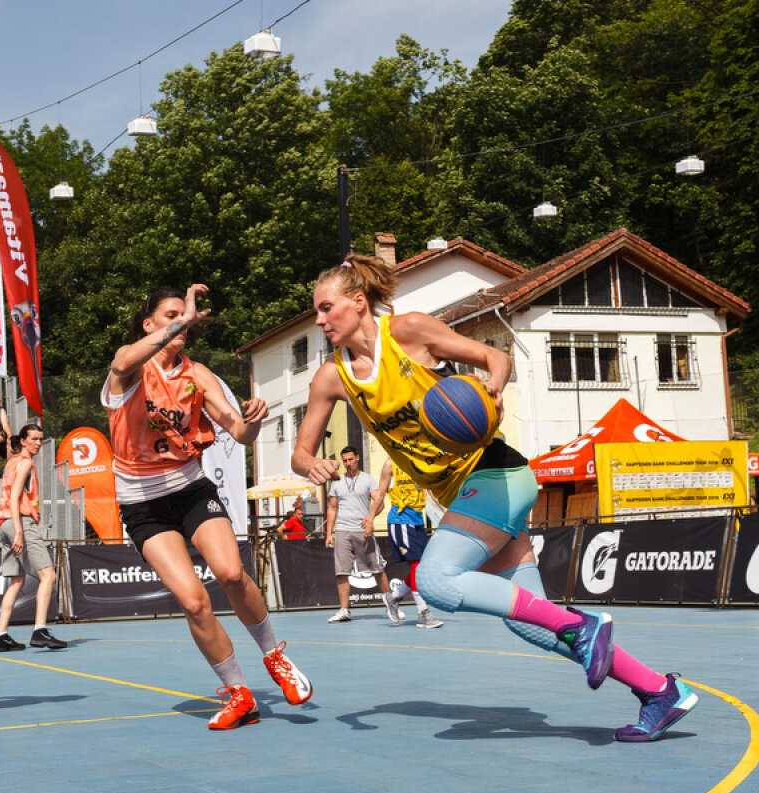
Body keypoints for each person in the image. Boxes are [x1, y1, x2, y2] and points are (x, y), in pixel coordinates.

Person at [292, 252, 698, 742]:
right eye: (316, 311)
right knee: (535, 625)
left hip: (495, 473)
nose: (318, 319)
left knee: (438, 582)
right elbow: (299, 451)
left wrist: (494, 390)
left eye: (325, 308)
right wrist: (309, 463)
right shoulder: (332, 376)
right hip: (462, 495)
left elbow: (496, 358)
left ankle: (585, 626)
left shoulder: (408, 332)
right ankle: (658, 691)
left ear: (358, 303)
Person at [103, 284, 312, 730]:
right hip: (143, 503)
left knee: (232, 573)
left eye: (184, 314)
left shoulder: (198, 375)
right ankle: (239, 694)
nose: (182, 321)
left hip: (191, 488)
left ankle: (275, 656)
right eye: (171, 314)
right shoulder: (129, 370)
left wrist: (254, 422)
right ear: (149, 324)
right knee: (194, 603)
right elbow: (122, 360)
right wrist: (187, 318)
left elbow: (238, 433)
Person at [0, 423, 66, 652]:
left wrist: (30, 509)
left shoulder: (12, 462)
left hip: (3, 522)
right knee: (48, 575)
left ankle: (1, 636)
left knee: (16, 581)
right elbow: (14, 498)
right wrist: (21, 532)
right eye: (33, 439)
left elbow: (16, 495)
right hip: (17, 523)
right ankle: (40, 630)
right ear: (22, 440)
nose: (38, 443)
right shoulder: (25, 463)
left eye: (40, 439)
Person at [324, 446, 403, 625]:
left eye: (350, 459)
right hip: (343, 530)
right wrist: (329, 533)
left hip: (363, 531)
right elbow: (332, 508)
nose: (347, 463)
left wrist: (370, 518)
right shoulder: (337, 481)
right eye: (344, 461)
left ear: (357, 458)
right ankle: (344, 610)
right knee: (341, 571)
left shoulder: (367, 479)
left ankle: (392, 604)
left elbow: (379, 501)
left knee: (377, 568)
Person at [373, 460, 443, 629]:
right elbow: (380, 493)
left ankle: (394, 597)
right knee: (417, 566)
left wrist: (443, 508)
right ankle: (423, 612)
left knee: (422, 567)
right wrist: (370, 518)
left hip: (417, 519)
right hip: (401, 520)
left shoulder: (419, 463)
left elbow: (429, 490)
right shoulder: (391, 464)